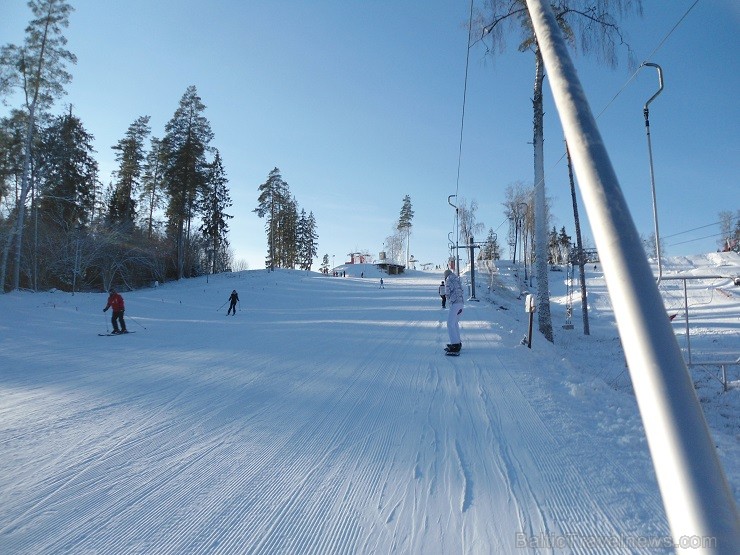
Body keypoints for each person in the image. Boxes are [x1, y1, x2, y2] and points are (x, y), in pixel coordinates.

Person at [443, 269, 464, 353]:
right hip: (461, 303)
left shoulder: (448, 279)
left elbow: (447, 292)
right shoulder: (457, 279)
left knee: (450, 323)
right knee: (454, 323)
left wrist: (447, 297)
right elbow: (462, 290)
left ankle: (455, 344)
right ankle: (458, 342)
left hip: (455, 303)